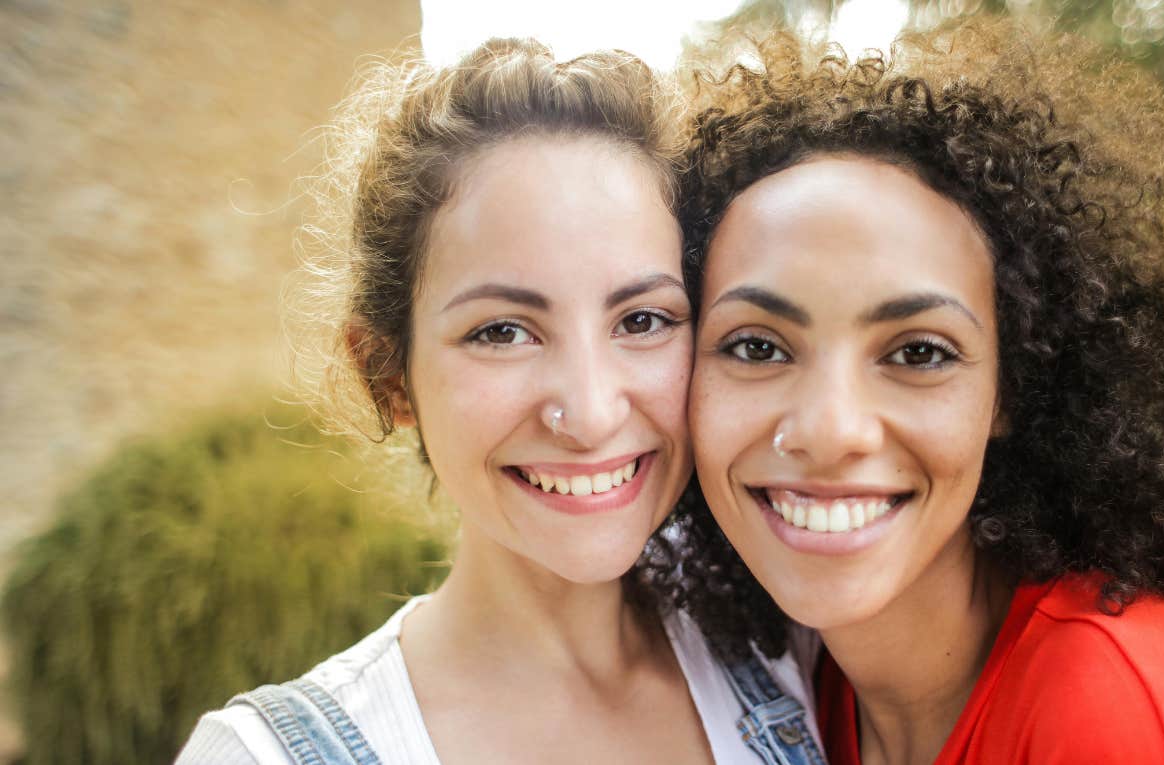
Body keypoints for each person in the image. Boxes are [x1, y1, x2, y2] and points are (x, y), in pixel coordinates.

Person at [675, 18, 1164, 765]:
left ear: (1012, 388)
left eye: (919, 352)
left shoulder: (1109, 710)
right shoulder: (798, 681)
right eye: (756, 346)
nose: (831, 428)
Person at [176, 39, 822, 765]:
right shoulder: (262, 757)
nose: (591, 413)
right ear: (388, 375)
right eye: (503, 331)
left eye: (641, 320)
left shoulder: (800, 647)